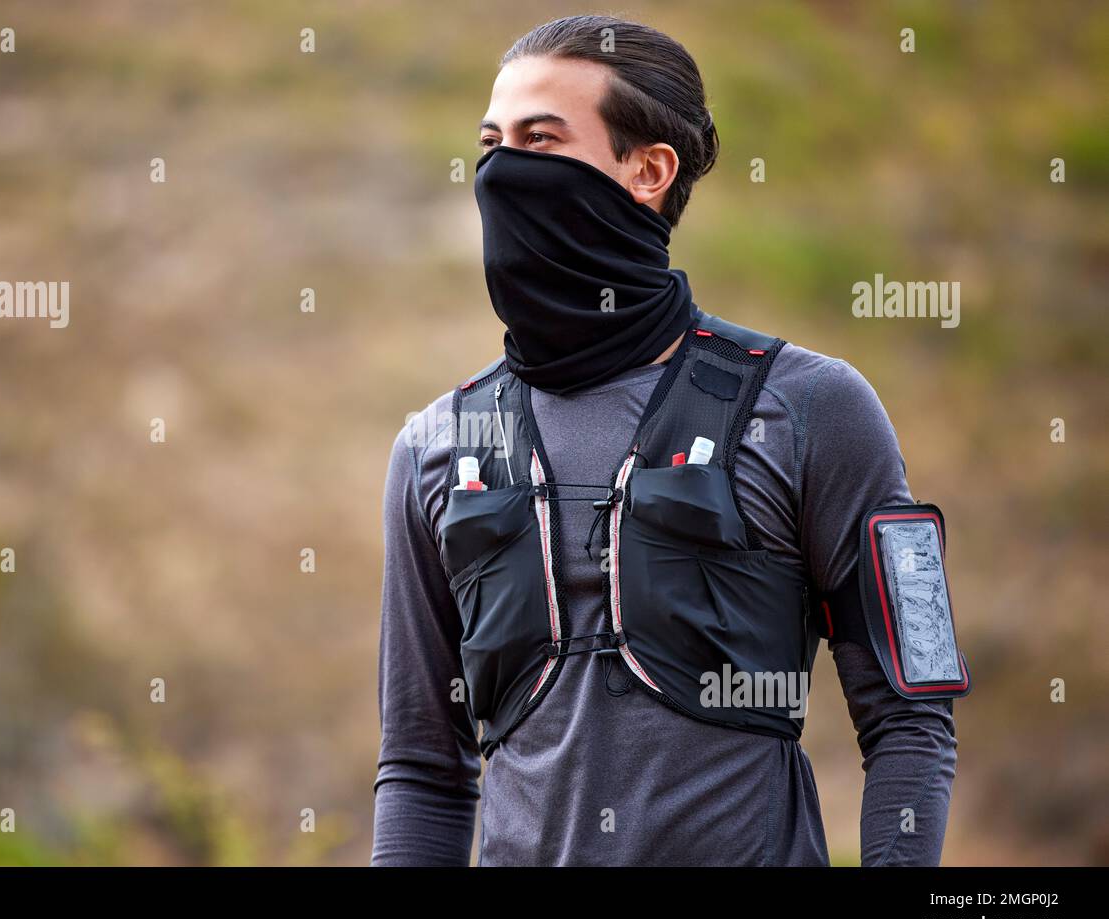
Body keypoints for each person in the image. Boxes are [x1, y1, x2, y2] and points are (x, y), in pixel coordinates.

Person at [372, 15, 969, 866]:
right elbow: (422, 768)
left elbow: (910, 718)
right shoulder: (436, 444)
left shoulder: (814, 408)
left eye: (541, 140)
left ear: (648, 171)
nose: (503, 172)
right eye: (490, 143)